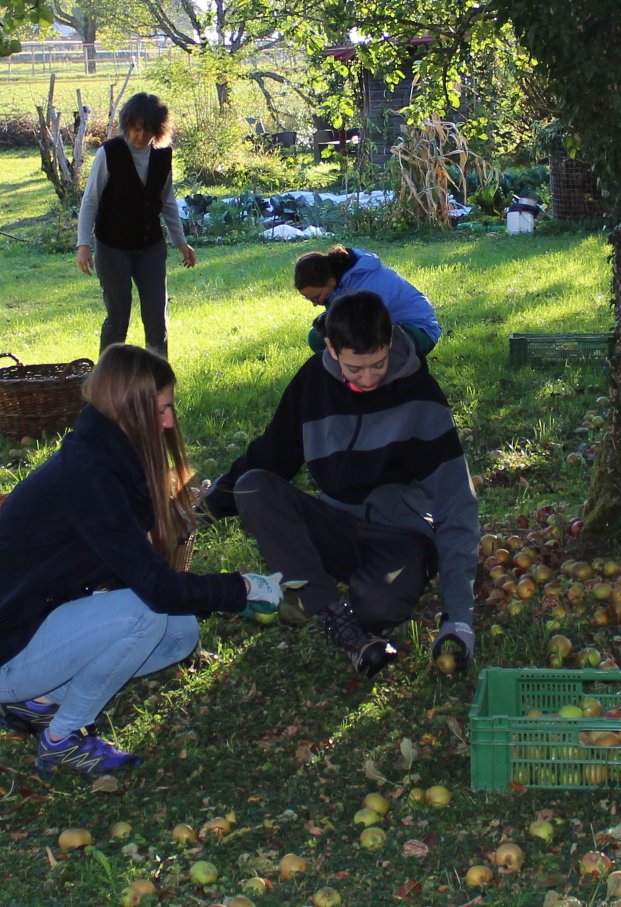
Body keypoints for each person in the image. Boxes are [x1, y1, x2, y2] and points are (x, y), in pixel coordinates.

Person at [0, 345, 281, 776]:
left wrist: (222, 594)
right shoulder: (89, 476)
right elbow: (157, 588)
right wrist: (242, 588)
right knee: (148, 613)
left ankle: (37, 703)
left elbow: (134, 570)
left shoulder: (109, 454)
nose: (170, 421)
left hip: (33, 623)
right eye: (161, 410)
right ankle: (63, 739)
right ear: (129, 410)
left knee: (178, 634)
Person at [203, 290, 481, 680]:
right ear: (332, 349)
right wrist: (206, 506)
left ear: (389, 340)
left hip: (400, 534)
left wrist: (458, 616)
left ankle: (361, 596)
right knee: (253, 487)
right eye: (355, 368)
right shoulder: (312, 383)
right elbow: (270, 456)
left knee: (380, 611)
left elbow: (457, 504)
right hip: (335, 525)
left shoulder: (422, 396)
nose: (368, 379)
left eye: (378, 364)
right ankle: (335, 615)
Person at [75, 92, 195, 356]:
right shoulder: (110, 152)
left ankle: (157, 375)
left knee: (156, 318)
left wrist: (181, 242)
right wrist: (83, 245)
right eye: (135, 128)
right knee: (118, 317)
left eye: (147, 130)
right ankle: (109, 377)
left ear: (158, 130)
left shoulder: (163, 155)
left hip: (150, 246)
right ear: (127, 125)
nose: (140, 136)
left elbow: (168, 201)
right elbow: (90, 200)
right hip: (112, 247)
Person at [293, 244, 441, 356]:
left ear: (330, 282)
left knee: (360, 341)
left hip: (418, 331)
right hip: (386, 325)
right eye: (308, 299)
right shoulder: (338, 280)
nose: (314, 303)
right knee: (317, 337)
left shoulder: (365, 283)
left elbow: (364, 325)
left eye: (315, 298)